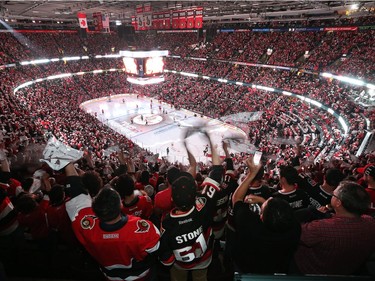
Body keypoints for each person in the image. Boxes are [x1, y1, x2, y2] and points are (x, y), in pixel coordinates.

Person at [64, 163, 160, 281]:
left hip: (110, 276)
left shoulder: (87, 227)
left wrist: (67, 163)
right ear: (120, 204)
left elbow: (76, 195)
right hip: (140, 275)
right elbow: (157, 251)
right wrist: (68, 163)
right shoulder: (141, 228)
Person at [158, 132, 222, 281]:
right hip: (203, 258)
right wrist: (212, 142)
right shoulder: (204, 204)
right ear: (196, 194)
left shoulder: (167, 222)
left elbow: (165, 258)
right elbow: (217, 172)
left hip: (180, 264)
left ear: (172, 198)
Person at [231, 157, 301, 274]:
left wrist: (251, 174)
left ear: (261, 217)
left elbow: (237, 198)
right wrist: (263, 201)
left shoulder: (250, 226)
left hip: (247, 270)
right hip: (276, 269)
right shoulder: (294, 230)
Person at [293, 181, 375, 275]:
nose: (332, 195)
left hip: (310, 271)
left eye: (334, 195)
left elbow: (296, 232)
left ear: (338, 202)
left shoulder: (320, 228)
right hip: (348, 270)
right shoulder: (371, 223)